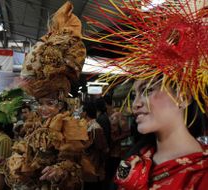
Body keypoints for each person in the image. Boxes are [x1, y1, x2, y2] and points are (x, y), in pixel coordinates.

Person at [85, 0, 208, 189]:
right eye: (134, 95)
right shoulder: (136, 158)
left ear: (183, 97)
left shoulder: (202, 175)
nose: (134, 105)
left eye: (148, 90)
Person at [4, 2, 88, 189]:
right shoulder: (35, 123)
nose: (42, 108)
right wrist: (11, 161)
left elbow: (75, 165)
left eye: (48, 102)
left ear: (59, 98)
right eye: (39, 103)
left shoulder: (70, 125)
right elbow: (24, 148)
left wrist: (60, 171)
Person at [81, 101, 108, 190]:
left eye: (81, 110)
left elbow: (103, 149)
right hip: (87, 168)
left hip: (94, 169)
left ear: (85, 113)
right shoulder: (88, 126)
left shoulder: (95, 128)